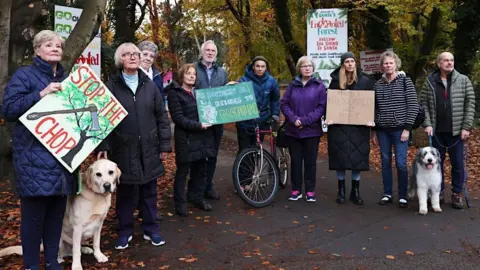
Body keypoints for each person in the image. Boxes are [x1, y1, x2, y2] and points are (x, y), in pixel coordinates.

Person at [2, 30, 76, 270]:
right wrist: (40, 94)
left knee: (56, 216)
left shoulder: (68, 80)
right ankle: (32, 265)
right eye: (48, 45)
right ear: (36, 50)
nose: (55, 48)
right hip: (34, 158)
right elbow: (9, 109)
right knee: (34, 218)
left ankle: (53, 261)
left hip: (63, 158)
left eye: (58, 45)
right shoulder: (25, 75)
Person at [96, 42, 171, 249]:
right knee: (126, 194)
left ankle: (151, 230)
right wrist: (103, 145)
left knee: (149, 192)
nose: (133, 57)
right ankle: (125, 231)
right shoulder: (111, 86)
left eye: (136, 54)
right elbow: (102, 118)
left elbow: (161, 117)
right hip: (123, 148)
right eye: (128, 54)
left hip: (148, 147)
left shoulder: (150, 86)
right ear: (121, 59)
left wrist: (164, 145)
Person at [420, 51, 475, 209]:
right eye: (445, 60)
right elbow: (423, 105)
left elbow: (470, 104)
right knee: (436, 164)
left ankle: (457, 193)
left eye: (451, 60)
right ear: (439, 63)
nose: (449, 63)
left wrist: (466, 127)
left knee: (458, 163)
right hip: (436, 131)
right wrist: (427, 124)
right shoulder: (430, 81)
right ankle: (438, 192)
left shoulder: (463, 80)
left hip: (457, 132)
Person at [326, 52, 375, 205]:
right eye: (346, 61)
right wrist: (328, 116)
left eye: (352, 61)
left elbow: (372, 102)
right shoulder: (335, 81)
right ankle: (341, 191)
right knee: (339, 158)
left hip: (358, 126)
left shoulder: (365, 81)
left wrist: (371, 119)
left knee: (357, 158)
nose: (349, 64)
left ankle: (355, 191)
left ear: (355, 63)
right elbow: (330, 102)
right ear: (343, 64)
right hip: (339, 126)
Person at [167, 64, 216, 217]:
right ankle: (180, 203)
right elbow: (178, 118)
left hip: (202, 138)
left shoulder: (199, 93)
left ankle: (197, 197)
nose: (192, 76)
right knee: (183, 172)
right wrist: (198, 125)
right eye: (188, 73)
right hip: (186, 139)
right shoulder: (175, 94)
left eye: (194, 74)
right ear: (182, 75)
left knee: (201, 170)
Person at [372, 51, 419, 208]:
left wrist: (407, 129)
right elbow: (375, 109)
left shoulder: (405, 81)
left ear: (396, 64)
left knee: (400, 162)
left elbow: (413, 106)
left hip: (400, 130)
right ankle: (387, 194)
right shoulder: (378, 85)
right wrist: (374, 131)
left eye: (390, 63)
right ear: (381, 66)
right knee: (385, 162)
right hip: (382, 130)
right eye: (385, 63)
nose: (388, 65)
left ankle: (403, 195)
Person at [280, 56, 327, 203]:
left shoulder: (319, 86)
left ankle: (310, 190)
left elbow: (321, 107)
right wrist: (294, 119)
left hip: (312, 131)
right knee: (295, 161)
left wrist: (305, 121)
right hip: (293, 131)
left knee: (310, 162)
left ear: (313, 69)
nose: (307, 68)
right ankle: (296, 189)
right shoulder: (292, 86)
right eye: (304, 66)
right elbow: (284, 103)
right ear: (299, 69)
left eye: (309, 66)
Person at [193, 40, 228, 201]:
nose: (210, 53)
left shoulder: (222, 72)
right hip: (198, 120)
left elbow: (225, 93)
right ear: (202, 52)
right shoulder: (192, 69)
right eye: (207, 50)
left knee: (212, 155)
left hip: (217, 121)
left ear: (216, 54)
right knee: (198, 156)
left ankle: (208, 187)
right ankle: (195, 189)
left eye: (213, 51)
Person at [136, 40, 165, 222]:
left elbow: (160, 104)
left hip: (151, 131)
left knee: (150, 175)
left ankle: (148, 211)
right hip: (133, 131)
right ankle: (132, 209)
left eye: (151, 56)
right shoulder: (130, 74)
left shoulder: (156, 77)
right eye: (145, 54)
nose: (148, 58)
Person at [235, 56, 280, 152]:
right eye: (258, 66)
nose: (260, 69)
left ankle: (255, 166)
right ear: (253, 67)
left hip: (262, 120)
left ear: (266, 68)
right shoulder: (243, 80)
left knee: (256, 149)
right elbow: (237, 98)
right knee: (244, 151)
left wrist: (275, 114)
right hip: (245, 121)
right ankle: (241, 167)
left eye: (263, 66)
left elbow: (275, 100)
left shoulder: (272, 81)